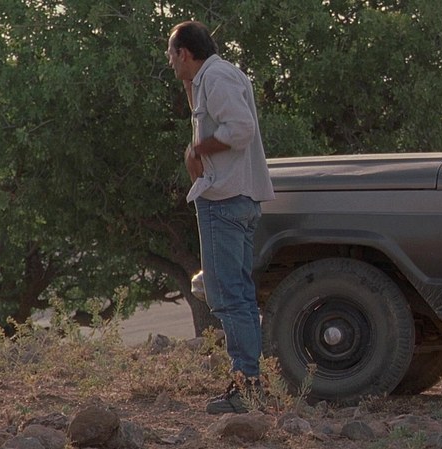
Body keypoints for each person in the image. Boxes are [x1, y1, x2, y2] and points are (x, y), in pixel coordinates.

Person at [166, 20, 275, 414]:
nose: (169, 62)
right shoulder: (215, 76)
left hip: (225, 200)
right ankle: (250, 383)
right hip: (238, 198)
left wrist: (198, 151)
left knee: (228, 295)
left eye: (171, 54)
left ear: (184, 52)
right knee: (238, 294)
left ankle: (246, 386)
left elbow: (240, 129)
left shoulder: (215, 77)